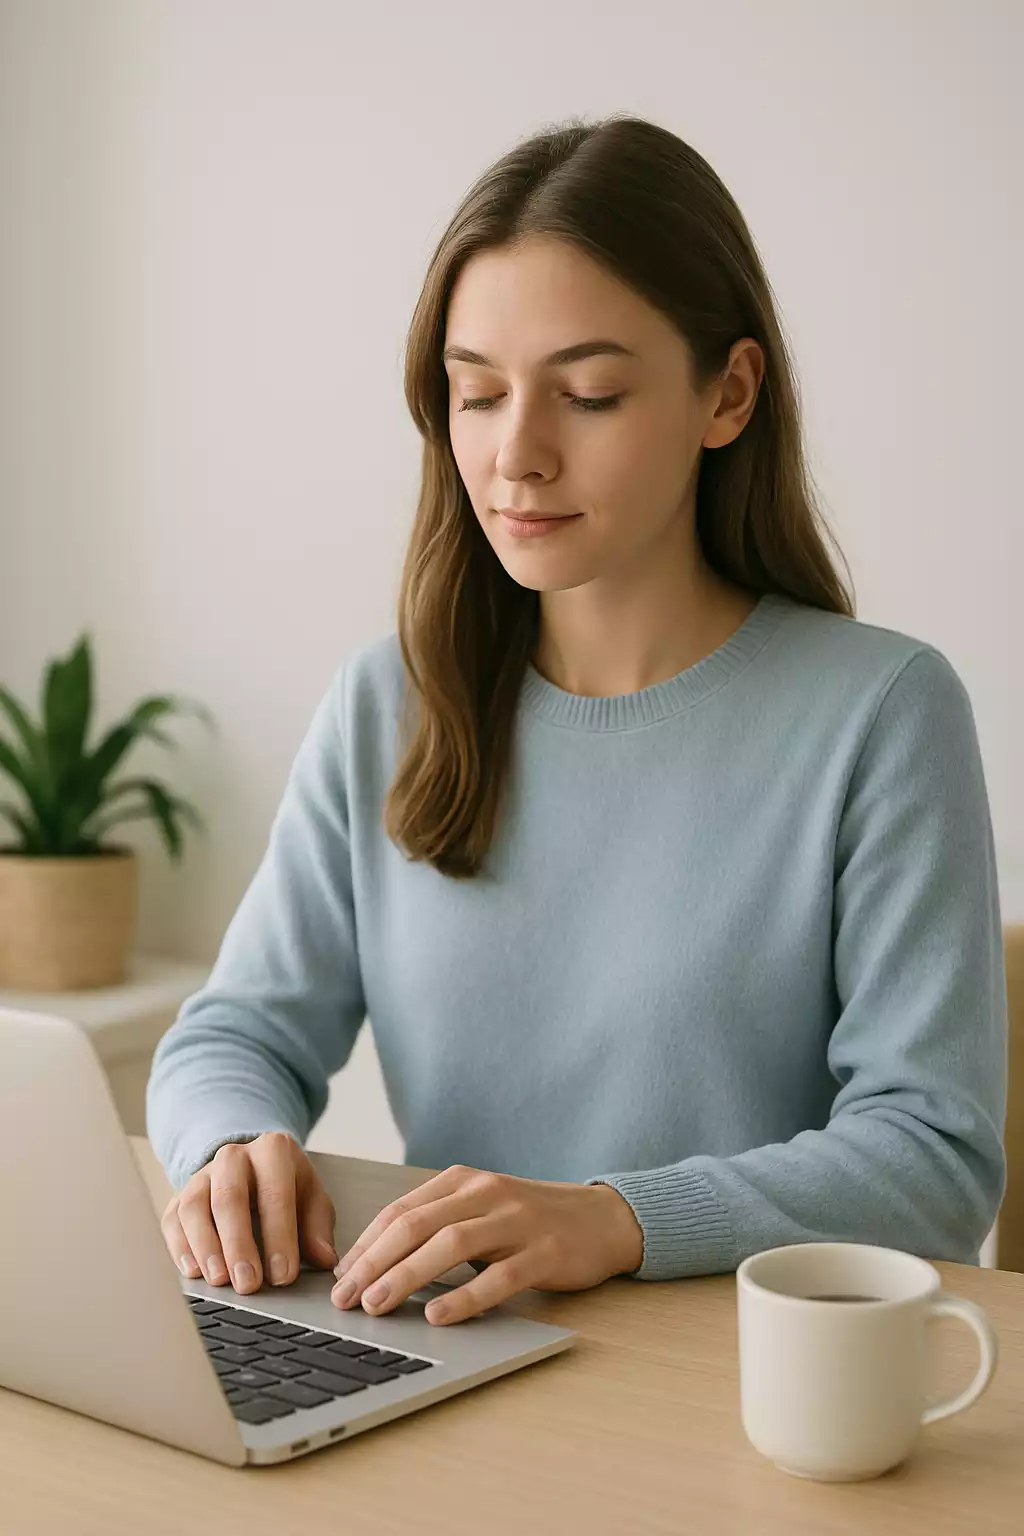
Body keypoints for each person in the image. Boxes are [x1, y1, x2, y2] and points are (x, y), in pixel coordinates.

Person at [147, 113, 1008, 1330]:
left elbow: (931, 1158)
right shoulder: (387, 703)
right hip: (448, 1357)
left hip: (737, 1387)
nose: (516, 456)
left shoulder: (879, 713)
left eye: (589, 395)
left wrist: (611, 1218)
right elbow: (231, 1033)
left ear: (729, 393)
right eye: (476, 395)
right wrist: (229, 1143)